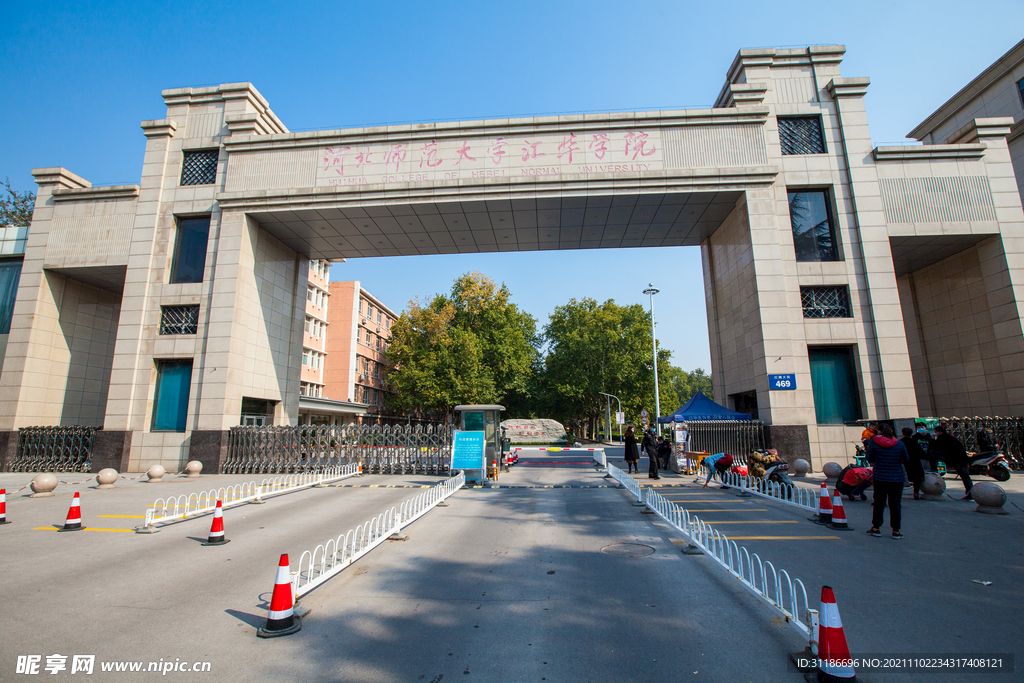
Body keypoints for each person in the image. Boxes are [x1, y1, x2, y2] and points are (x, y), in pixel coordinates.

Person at [865, 424, 909, 539]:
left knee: (879, 503)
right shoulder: (899, 444)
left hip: (881, 477)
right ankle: (896, 530)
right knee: (895, 505)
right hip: (897, 478)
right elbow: (906, 459)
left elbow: (869, 458)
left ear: (879, 432)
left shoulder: (873, 442)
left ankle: (876, 528)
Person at [930, 424, 973, 500]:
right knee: (965, 477)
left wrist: (933, 440)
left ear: (940, 432)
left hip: (956, 459)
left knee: (932, 453)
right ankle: (970, 493)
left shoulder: (942, 438)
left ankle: (934, 469)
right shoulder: (950, 438)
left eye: (936, 432)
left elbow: (936, 448)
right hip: (961, 459)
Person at [899, 427, 927, 499]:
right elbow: (921, 453)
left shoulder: (900, 442)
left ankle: (898, 493)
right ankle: (916, 493)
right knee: (917, 478)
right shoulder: (914, 442)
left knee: (902, 477)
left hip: (903, 462)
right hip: (915, 461)